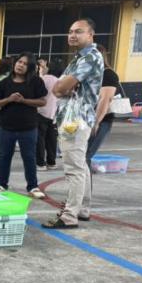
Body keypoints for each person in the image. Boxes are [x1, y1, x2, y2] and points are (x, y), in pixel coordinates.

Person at [44, 18, 105, 229]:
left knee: (74, 169)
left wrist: (62, 87)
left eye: (78, 31)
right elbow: (58, 88)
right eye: (70, 31)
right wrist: (61, 87)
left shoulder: (89, 57)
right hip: (75, 118)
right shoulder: (79, 58)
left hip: (75, 120)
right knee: (81, 166)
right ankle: (83, 209)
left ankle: (69, 215)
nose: (72, 35)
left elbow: (60, 88)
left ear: (90, 35)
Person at [0, 53, 47, 199]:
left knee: (29, 157)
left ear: (30, 67)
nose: (21, 65)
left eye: (25, 64)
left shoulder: (36, 82)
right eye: (19, 62)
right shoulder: (4, 83)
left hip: (28, 127)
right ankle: (1, 184)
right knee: (4, 156)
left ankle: (32, 186)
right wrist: (8, 99)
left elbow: (42, 101)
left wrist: (24, 101)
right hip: (6, 127)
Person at [86, 45, 121, 165]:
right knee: (79, 156)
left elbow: (105, 99)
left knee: (85, 156)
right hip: (85, 119)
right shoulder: (90, 74)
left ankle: (84, 177)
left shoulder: (107, 74)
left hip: (99, 121)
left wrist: (96, 123)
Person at [36, 58, 59, 170]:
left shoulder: (42, 79)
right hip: (53, 114)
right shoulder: (59, 81)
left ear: (48, 68)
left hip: (41, 112)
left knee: (40, 139)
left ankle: (41, 163)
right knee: (52, 139)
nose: (41, 69)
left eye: (43, 67)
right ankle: (52, 162)